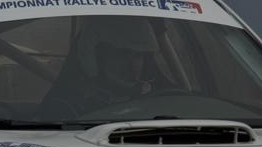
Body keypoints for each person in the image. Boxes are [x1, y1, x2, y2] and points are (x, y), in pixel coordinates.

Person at [39, 16, 173, 119]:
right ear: (95, 57)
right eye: (121, 54)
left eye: (138, 56)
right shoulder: (67, 109)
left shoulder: (162, 101)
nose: (132, 65)